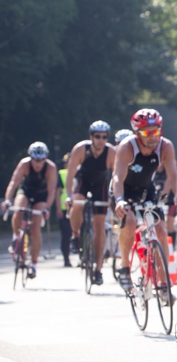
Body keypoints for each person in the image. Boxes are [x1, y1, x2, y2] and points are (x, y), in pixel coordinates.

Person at [112, 109, 177, 297]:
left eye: (155, 131)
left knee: (160, 228)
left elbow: (174, 175)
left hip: (145, 189)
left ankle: (164, 284)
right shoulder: (127, 147)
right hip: (123, 191)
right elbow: (117, 177)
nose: (152, 137)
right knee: (131, 222)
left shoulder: (165, 146)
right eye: (146, 132)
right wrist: (119, 201)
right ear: (136, 134)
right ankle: (124, 267)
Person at [65, 120, 115, 285]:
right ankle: (75, 235)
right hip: (83, 181)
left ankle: (98, 269)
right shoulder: (81, 149)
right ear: (91, 137)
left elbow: (116, 177)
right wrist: (69, 196)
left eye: (104, 137)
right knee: (77, 203)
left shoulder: (111, 153)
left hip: (100, 185)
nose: (101, 140)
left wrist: (113, 197)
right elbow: (70, 174)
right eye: (97, 136)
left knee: (100, 227)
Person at [1, 142, 57, 279]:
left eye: (40, 160)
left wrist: (47, 208)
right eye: (34, 160)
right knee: (18, 209)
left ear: (45, 159)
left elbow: (51, 192)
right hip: (26, 191)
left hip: (41, 195)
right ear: (30, 158)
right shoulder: (24, 164)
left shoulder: (50, 168)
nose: (37, 164)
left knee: (35, 228)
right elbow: (14, 183)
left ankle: (33, 264)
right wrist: (8, 199)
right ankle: (16, 237)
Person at [56, 154, 73, 267]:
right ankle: (66, 258)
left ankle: (83, 258)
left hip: (77, 208)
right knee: (66, 236)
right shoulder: (61, 174)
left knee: (80, 234)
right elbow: (57, 193)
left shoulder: (79, 172)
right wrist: (58, 209)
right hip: (64, 209)